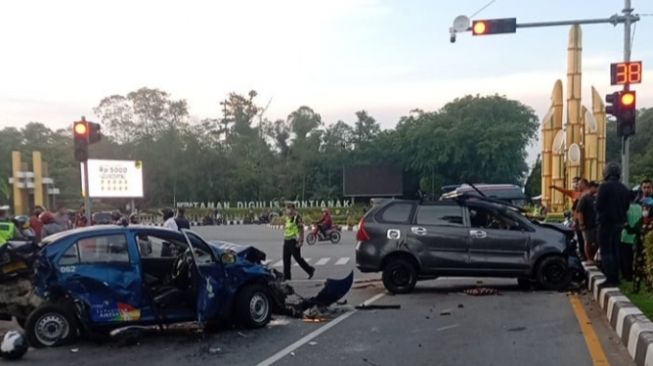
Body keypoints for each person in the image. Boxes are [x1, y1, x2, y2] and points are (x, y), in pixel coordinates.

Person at [596, 163, 631, 286]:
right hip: (619, 223)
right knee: (615, 250)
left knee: (606, 251)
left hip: (606, 223)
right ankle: (616, 277)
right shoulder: (624, 188)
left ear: (606, 173)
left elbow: (598, 206)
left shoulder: (604, 187)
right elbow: (627, 206)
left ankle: (610, 278)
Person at [282, 203, 315, 280]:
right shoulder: (287, 218)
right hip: (286, 240)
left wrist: (301, 240)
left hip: (294, 241)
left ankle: (310, 270)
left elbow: (301, 229)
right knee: (286, 259)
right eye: (287, 209)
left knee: (298, 258)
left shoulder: (297, 218)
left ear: (293, 209)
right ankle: (287, 276)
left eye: (290, 208)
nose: (288, 210)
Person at [621, 190, 643, 281]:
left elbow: (623, 222)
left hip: (625, 236)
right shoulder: (640, 207)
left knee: (625, 257)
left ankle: (626, 275)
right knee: (635, 257)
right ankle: (635, 274)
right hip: (636, 235)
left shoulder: (625, 208)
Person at [633, 197, 653, 293]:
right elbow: (635, 229)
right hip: (640, 247)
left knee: (648, 269)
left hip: (649, 250)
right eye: (644, 207)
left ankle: (649, 287)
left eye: (647, 207)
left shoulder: (651, 221)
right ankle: (636, 288)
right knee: (637, 268)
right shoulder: (642, 220)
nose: (645, 209)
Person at [577, 181, 599, 265]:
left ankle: (592, 258)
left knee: (596, 242)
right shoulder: (584, 198)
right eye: (596, 187)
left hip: (595, 224)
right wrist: (581, 224)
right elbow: (580, 212)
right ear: (591, 187)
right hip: (587, 225)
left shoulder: (595, 199)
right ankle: (589, 258)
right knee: (588, 242)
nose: (597, 190)